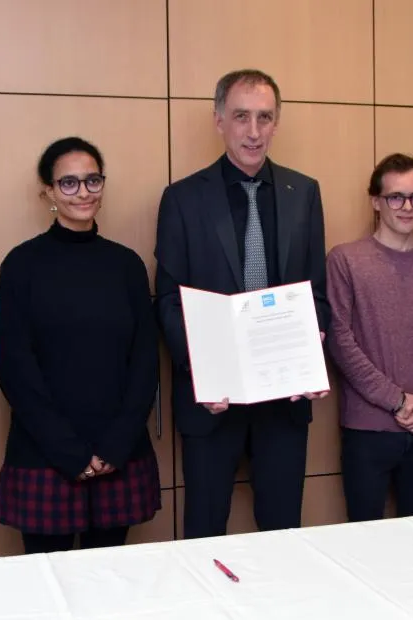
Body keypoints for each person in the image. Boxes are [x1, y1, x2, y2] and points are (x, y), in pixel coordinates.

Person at [154, 69, 329, 539]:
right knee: (205, 534)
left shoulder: (304, 192)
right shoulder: (182, 199)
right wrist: (201, 372)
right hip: (214, 400)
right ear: (219, 120)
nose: (254, 131)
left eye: (265, 118)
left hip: (284, 397)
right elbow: (169, 301)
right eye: (241, 117)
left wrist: (311, 355)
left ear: (277, 123)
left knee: (283, 532)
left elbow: (316, 292)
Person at [0, 136, 161, 553]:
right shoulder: (21, 265)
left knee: (111, 585)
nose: (82, 192)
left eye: (92, 181)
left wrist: (114, 445)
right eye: (68, 183)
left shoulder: (126, 264)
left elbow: (144, 362)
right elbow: (15, 368)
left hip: (117, 452)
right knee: (48, 587)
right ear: (47, 191)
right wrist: (68, 451)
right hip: (45, 454)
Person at [326, 153, 413, 522]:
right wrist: (396, 401)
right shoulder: (344, 260)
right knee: (364, 544)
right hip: (368, 428)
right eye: (396, 197)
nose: (407, 206)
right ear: (376, 202)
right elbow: (340, 341)